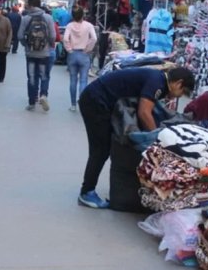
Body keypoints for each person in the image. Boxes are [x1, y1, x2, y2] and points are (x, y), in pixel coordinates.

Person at [77, 67, 195, 208]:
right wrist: (158, 138)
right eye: (182, 92)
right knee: (100, 149)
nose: (179, 96)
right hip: (95, 101)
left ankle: (88, 189)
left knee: (104, 148)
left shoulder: (159, 80)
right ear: (178, 83)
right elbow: (144, 113)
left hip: (100, 100)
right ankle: (86, 192)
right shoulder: (157, 82)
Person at [18, 0, 56, 112]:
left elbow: (19, 36)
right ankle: (43, 95)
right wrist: (48, 45)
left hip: (30, 54)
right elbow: (53, 36)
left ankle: (31, 102)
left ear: (30, 5)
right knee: (44, 76)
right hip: (44, 53)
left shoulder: (26, 18)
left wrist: (26, 45)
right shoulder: (48, 18)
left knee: (32, 77)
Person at [63, 7, 96, 112]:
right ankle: (82, 103)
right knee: (83, 80)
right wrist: (88, 48)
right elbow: (94, 38)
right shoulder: (89, 25)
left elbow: (65, 38)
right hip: (84, 54)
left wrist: (69, 49)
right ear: (83, 15)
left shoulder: (69, 26)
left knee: (73, 80)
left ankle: (73, 105)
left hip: (72, 54)